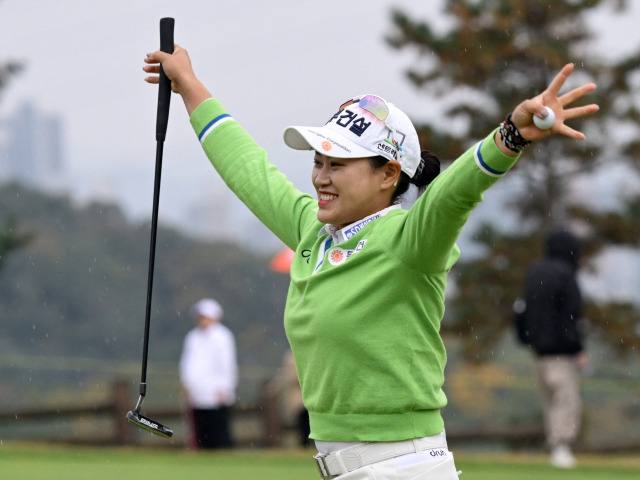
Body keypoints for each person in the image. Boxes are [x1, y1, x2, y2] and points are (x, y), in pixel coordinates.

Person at [144, 43, 598, 478]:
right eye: (319, 162)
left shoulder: (411, 239)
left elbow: (452, 196)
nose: (320, 177)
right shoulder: (312, 233)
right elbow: (247, 169)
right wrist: (189, 85)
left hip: (405, 468)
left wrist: (510, 136)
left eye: (338, 165)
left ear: (388, 174)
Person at [514, 229, 588, 468]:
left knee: (551, 400)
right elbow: (570, 316)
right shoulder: (566, 274)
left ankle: (557, 446)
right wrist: (577, 347)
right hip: (560, 352)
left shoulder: (536, 271)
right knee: (566, 400)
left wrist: (527, 339)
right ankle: (561, 447)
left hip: (538, 351)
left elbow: (522, 310)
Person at [179, 298, 238, 449]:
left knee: (218, 431)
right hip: (196, 392)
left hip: (216, 392)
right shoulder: (192, 337)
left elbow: (227, 364)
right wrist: (186, 385)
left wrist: (225, 387)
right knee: (200, 432)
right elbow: (187, 363)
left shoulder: (222, 336)